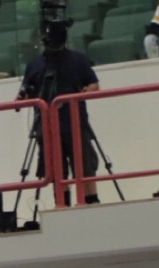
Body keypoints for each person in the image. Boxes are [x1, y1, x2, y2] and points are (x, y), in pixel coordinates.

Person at [17, 11, 101, 206]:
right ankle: (63, 205)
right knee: (56, 171)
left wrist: (85, 91)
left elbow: (94, 84)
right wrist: (22, 98)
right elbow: (26, 92)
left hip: (76, 123)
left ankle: (92, 203)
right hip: (47, 127)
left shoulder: (78, 60)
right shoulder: (35, 64)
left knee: (85, 167)